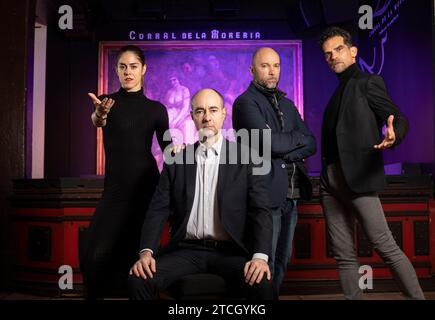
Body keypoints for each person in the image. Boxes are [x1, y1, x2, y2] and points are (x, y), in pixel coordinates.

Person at [128, 88, 276, 300]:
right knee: (138, 280)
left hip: (230, 252)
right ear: (192, 117)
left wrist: (260, 257)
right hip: (186, 250)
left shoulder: (247, 158)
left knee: (263, 284)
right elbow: (157, 210)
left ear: (224, 113)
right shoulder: (177, 160)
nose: (207, 117)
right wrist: (146, 252)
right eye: (200, 111)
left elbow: (261, 211)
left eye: (213, 110)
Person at [318, 26, 425, 300]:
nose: (333, 57)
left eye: (338, 49)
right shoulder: (336, 94)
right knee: (344, 255)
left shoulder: (368, 82)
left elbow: (398, 118)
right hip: (329, 181)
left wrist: (393, 134)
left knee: (385, 245)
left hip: (358, 177)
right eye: (328, 54)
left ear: (353, 51)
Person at [81, 45, 172, 299]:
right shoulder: (106, 102)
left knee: (138, 257)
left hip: (146, 189)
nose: (128, 72)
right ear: (116, 70)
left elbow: (168, 151)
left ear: (143, 69)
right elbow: (98, 119)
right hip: (115, 191)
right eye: (122, 66)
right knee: (93, 254)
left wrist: (184, 152)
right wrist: (99, 115)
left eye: (133, 66)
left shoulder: (156, 109)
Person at [232, 47, 316, 294]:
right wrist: (291, 141)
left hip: (292, 196)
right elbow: (269, 143)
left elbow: (311, 142)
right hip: (265, 196)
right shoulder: (245, 103)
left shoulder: (288, 104)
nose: (271, 71)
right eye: (265, 65)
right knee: (262, 262)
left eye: (276, 66)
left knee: (282, 262)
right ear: (252, 69)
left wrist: (281, 145)